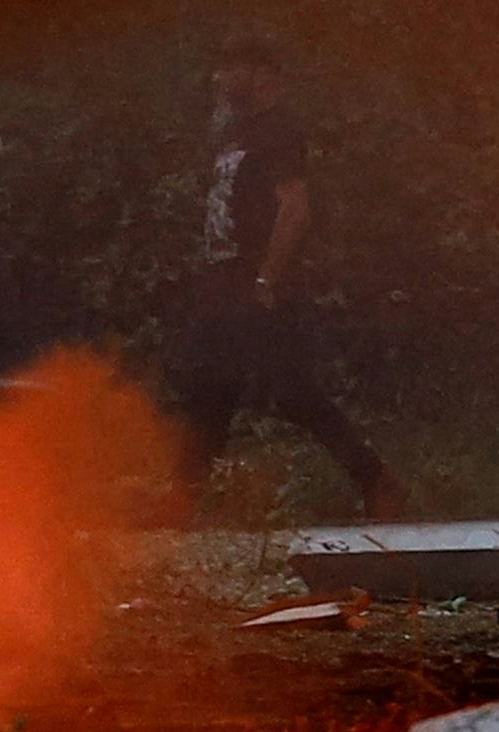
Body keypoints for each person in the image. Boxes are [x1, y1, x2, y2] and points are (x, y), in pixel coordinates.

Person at [168, 32, 406, 520]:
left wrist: (267, 280)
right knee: (209, 387)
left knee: (292, 390)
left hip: (258, 284)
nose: (219, 78)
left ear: (261, 72)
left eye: (230, 67)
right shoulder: (237, 132)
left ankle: (377, 483)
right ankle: (181, 502)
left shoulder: (279, 131)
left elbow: (294, 209)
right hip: (223, 279)